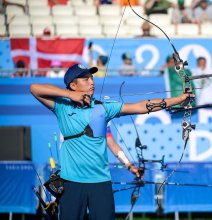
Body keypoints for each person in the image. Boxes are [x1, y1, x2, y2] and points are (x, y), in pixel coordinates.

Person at [30, 64, 192, 220]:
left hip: (100, 182)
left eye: (92, 78)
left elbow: (141, 106)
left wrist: (178, 99)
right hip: (71, 182)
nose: (92, 82)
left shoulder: (104, 108)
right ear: (72, 85)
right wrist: (70, 95)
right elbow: (34, 88)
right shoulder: (62, 107)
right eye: (85, 79)